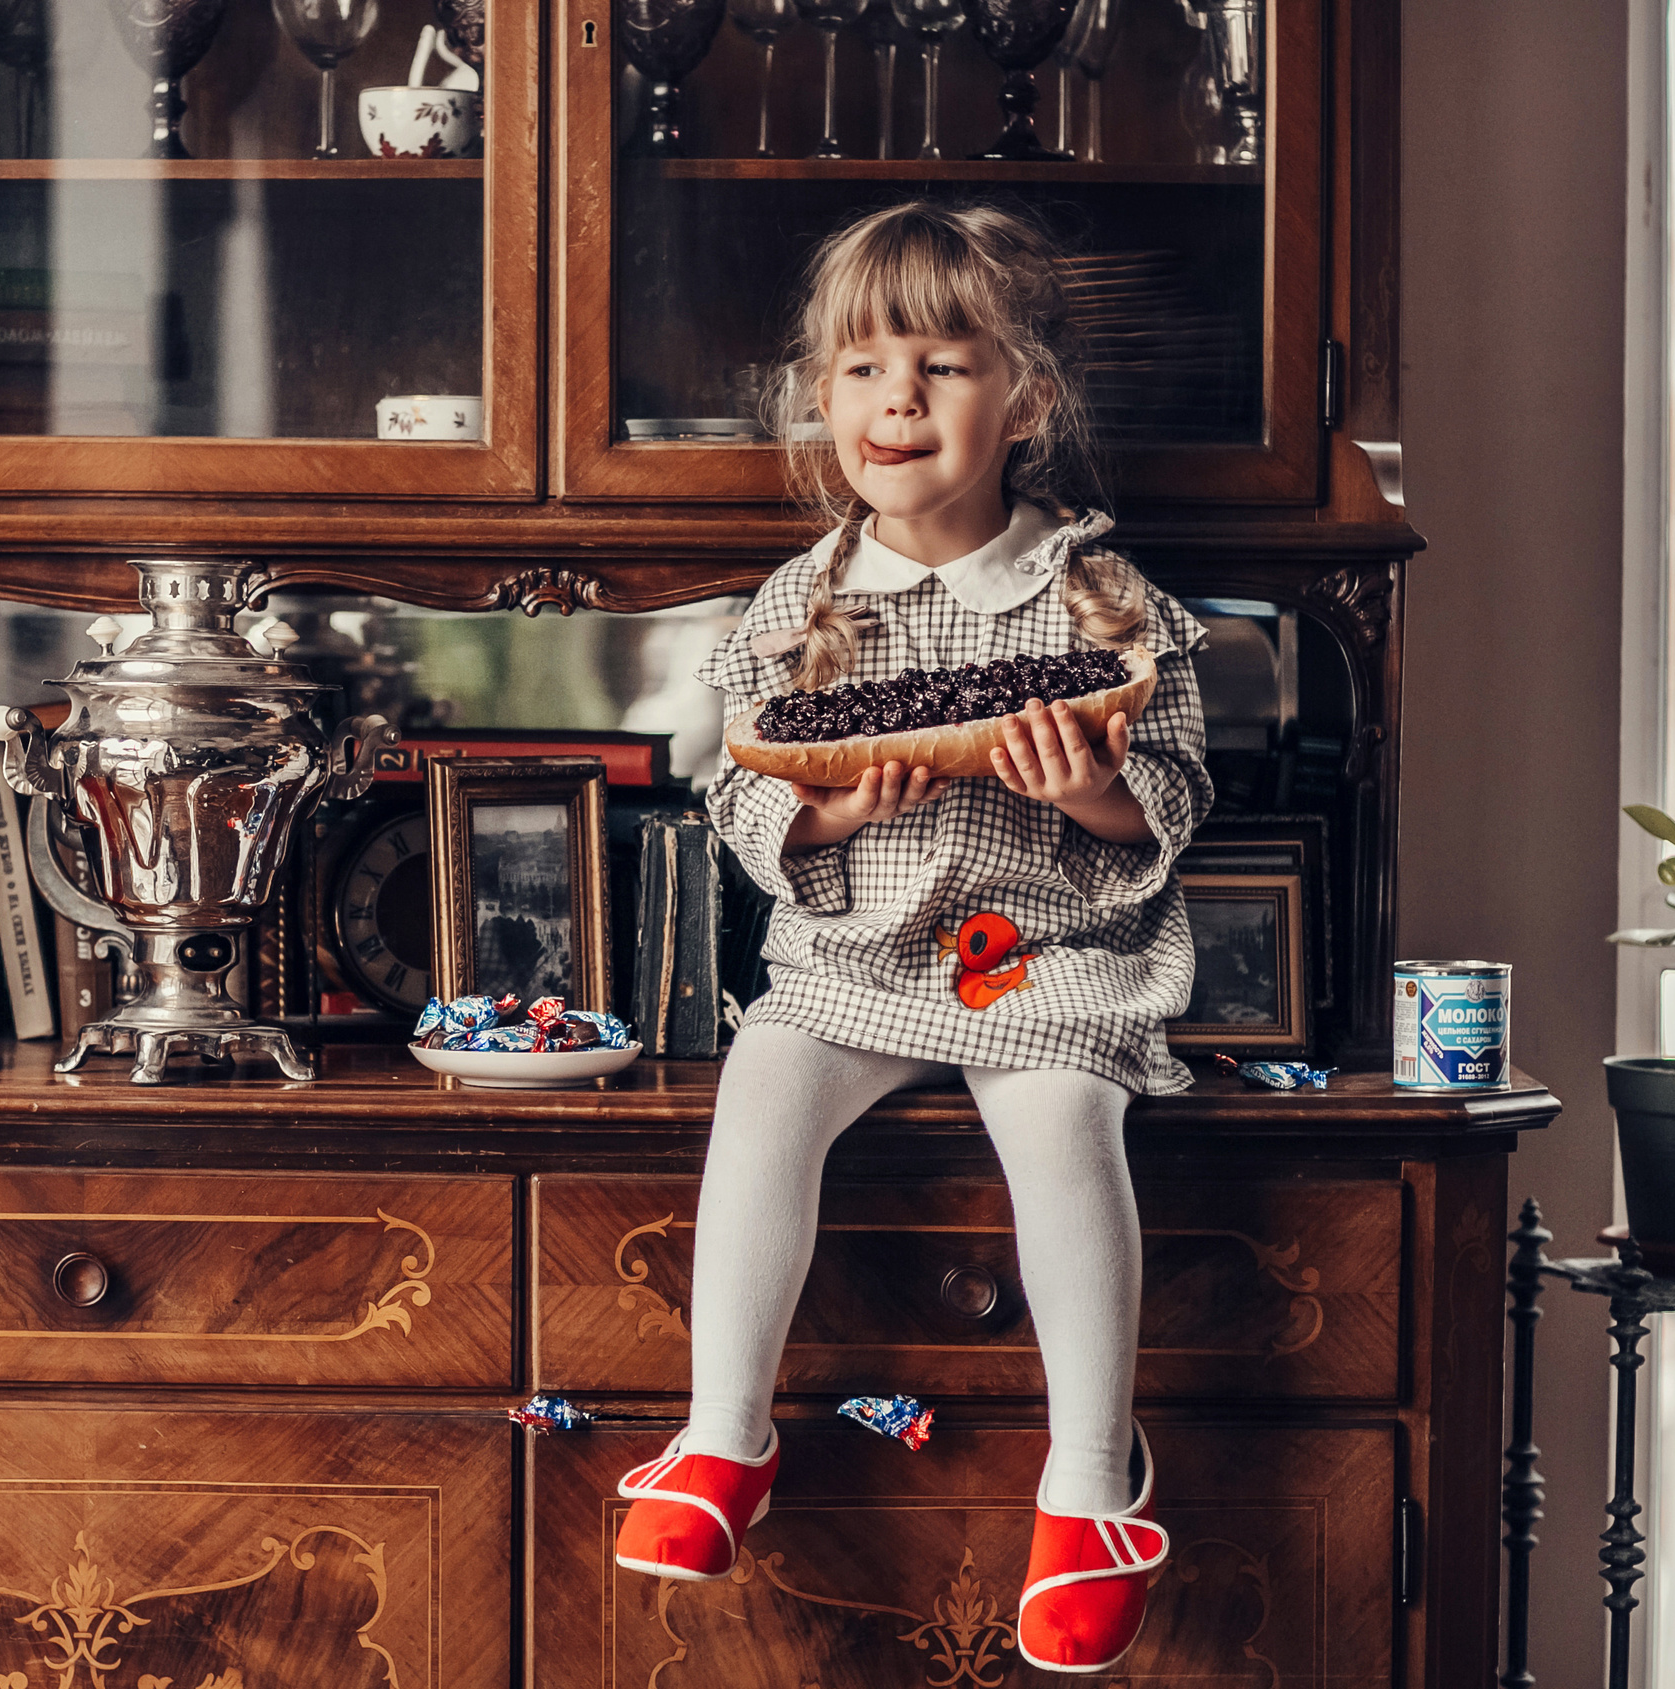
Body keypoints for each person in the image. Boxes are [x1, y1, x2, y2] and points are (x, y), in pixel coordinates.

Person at [610, 199, 1212, 1676]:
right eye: (868, 370)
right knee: (763, 1095)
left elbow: (1183, 791)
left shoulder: (1101, 596)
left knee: (1069, 1114)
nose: (901, 401)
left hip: (1040, 950)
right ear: (824, 404)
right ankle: (724, 1436)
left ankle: (1089, 1485)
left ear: (1027, 402)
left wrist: (1102, 791)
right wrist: (816, 820)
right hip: (862, 958)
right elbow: (736, 797)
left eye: (944, 366)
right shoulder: (799, 606)